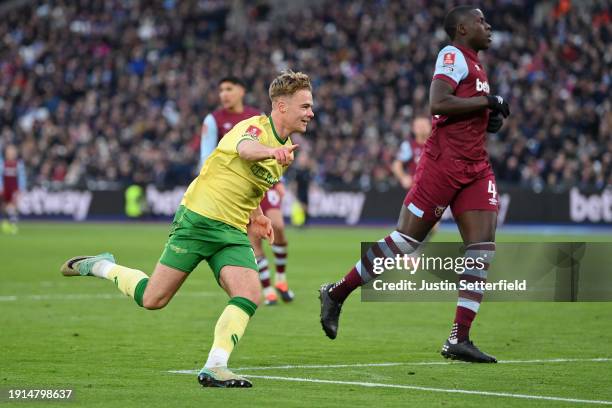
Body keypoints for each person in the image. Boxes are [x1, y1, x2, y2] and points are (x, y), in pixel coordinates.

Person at [61, 71, 314, 387]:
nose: (310, 113)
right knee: (153, 299)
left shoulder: (286, 149)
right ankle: (100, 266)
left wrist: (258, 214)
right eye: (304, 106)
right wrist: (270, 152)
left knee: (250, 293)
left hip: (232, 230)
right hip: (198, 219)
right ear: (281, 106)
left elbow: (252, 182)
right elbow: (247, 151)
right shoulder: (254, 128)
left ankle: (215, 366)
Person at [319, 6, 510, 363]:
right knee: (405, 242)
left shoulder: (477, 64)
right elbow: (438, 102)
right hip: (442, 165)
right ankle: (337, 293)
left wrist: (487, 117)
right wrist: (487, 101)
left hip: (475, 167)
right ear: (463, 28)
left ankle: (459, 338)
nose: (489, 26)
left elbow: (462, 109)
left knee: (482, 250)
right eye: (482, 21)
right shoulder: (452, 54)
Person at [200, 77, 294, 306]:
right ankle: (268, 287)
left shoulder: (257, 117)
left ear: (242, 90)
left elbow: (273, 145)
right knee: (255, 237)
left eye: (229, 89)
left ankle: (281, 278)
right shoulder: (213, 120)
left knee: (278, 225)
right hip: (236, 186)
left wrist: (279, 181)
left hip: (264, 181)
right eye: (221, 89)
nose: (224, 94)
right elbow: (206, 155)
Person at [0, 144, 26, 235]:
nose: (11, 154)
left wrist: (21, 188)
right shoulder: (2, 163)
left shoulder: (18, 164)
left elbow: (22, 177)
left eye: (12, 152)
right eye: (9, 152)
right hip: (5, 189)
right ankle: (8, 223)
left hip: (14, 189)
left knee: (12, 207)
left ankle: (13, 225)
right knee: (4, 208)